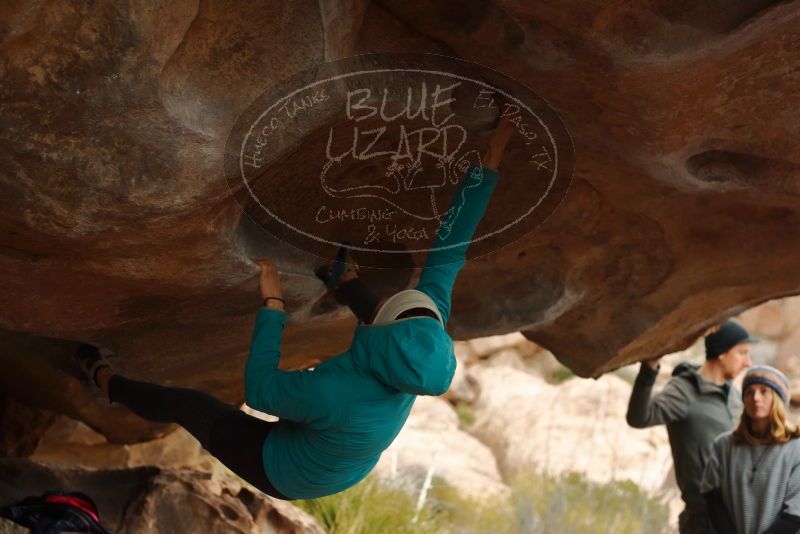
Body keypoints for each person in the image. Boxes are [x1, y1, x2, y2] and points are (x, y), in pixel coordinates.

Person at [75, 114, 516, 500]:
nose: (392, 305)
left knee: (192, 406)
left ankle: (105, 382)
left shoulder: (334, 393)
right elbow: (450, 247)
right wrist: (489, 166)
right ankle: (338, 277)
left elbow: (260, 391)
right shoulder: (430, 321)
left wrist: (273, 305)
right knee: (381, 314)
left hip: (288, 471)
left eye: (386, 312)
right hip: (335, 440)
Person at [626, 320, 756, 533]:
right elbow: (639, 418)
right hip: (705, 520)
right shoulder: (684, 390)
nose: (748, 362)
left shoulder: (733, 396)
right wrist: (649, 368)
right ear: (722, 353)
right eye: (742, 353)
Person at [701, 365, 800, 534]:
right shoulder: (724, 446)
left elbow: (795, 513)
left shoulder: (796, 449)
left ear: (778, 399)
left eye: (764, 391)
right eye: (749, 392)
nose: (755, 398)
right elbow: (712, 496)